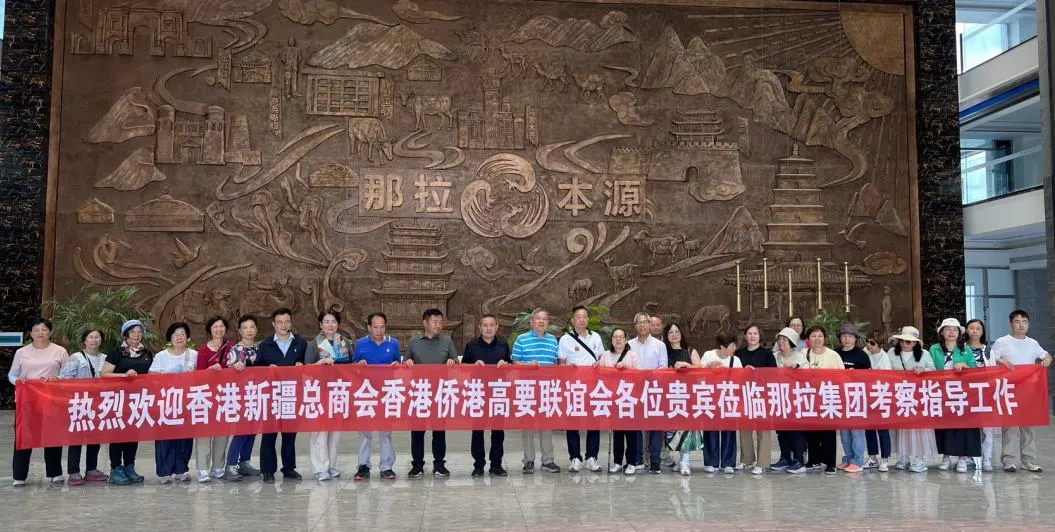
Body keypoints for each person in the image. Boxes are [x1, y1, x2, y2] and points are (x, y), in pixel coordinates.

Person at [9, 317, 70, 487]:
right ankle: (19, 476)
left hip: (52, 400)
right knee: (24, 436)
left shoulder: (59, 351)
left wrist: (58, 378)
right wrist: (18, 380)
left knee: (52, 436)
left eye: (44, 329)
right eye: (36, 330)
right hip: (27, 401)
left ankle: (55, 473)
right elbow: (12, 374)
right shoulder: (22, 352)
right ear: (30, 333)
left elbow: (69, 373)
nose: (40, 333)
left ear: (50, 332)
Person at [992, 309, 1052, 473]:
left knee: (1028, 428)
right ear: (1011, 324)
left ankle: (1028, 460)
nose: (1021, 325)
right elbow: (991, 358)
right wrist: (1002, 361)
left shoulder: (1032, 343)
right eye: (1017, 321)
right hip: (1009, 390)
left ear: (1028, 324)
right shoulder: (1002, 341)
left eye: (1024, 322)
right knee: (1010, 427)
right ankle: (1008, 460)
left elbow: (1046, 355)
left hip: (1028, 391)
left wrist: (1047, 360)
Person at [406, 308, 459, 478]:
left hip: (439, 393)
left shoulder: (447, 341)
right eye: (435, 322)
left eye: (440, 322)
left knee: (439, 431)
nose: (438, 325)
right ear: (425, 323)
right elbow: (406, 363)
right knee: (417, 431)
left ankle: (439, 465)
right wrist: (407, 362)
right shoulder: (414, 342)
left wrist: (452, 361)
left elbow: (456, 362)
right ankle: (417, 465)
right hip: (419, 393)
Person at [256, 307, 307, 483]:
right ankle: (268, 471)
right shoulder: (265, 345)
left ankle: (289, 468)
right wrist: (266, 369)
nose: (283, 325)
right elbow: (256, 369)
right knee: (269, 434)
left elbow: (309, 365)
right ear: (273, 324)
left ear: (291, 323)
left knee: (289, 434)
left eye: (287, 322)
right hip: (271, 395)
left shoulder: (300, 343)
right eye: (279, 322)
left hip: (292, 395)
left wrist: (302, 366)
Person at [101, 319, 154, 485]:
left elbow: (150, 374)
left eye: (139, 332)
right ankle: (116, 468)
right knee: (118, 435)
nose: (136, 335)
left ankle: (130, 466)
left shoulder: (147, 353)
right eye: (133, 332)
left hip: (138, 400)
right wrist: (124, 375)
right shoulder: (117, 352)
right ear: (126, 334)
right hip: (118, 400)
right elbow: (104, 374)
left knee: (133, 434)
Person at [305, 309, 354, 481]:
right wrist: (320, 363)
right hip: (320, 392)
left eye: (333, 321)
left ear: (338, 324)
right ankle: (320, 468)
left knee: (335, 432)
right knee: (320, 432)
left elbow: (352, 365)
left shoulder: (345, 342)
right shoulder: (313, 344)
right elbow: (307, 369)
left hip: (338, 392)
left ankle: (331, 465)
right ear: (320, 324)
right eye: (326, 321)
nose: (330, 325)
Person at [512, 308, 561, 474]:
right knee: (527, 427)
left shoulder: (553, 340)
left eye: (544, 319)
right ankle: (528, 461)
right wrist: (528, 366)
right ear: (531, 322)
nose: (541, 321)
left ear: (548, 322)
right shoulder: (521, 339)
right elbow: (515, 363)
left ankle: (548, 460)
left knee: (546, 426)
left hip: (547, 389)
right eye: (538, 319)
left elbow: (556, 364)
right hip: (527, 389)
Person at [929, 318, 981, 473]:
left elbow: (974, 370)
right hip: (941, 393)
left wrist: (965, 366)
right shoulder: (934, 349)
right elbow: (929, 367)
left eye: (955, 329)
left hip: (961, 394)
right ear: (942, 332)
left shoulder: (966, 350)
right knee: (944, 425)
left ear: (959, 333)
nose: (951, 332)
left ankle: (962, 458)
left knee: (963, 426)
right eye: (948, 329)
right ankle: (946, 457)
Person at [353, 312, 401, 481]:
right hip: (366, 393)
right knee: (365, 432)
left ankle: (386, 466)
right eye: (375, 327)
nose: (379, 331)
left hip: (386, 393)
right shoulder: (361, 344)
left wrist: (397, 365)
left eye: (382, 327)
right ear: (369, 327)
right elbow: (353, 366)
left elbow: (398, 364)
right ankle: (363, 466)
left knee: (385, 432)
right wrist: (359, 365)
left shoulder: (394, 343)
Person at [462, 313, 511, 477]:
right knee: (478, 430)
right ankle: (478, 465)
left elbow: (510, 365)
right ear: (480, 327)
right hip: (478, 392)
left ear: (497, 327)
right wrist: (473, 366)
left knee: (498, 430)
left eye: (491, 325)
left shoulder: (503, 345)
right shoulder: (472, 345)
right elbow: (463, 368)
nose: (488, 328)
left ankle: (496, 465)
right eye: (485, 325)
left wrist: (506, 364)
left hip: (498, 392)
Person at [558, 305, 605, 473]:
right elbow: (561, 363)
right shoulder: (565, 339)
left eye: (585, 316)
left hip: (593, 386)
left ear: (588, 319)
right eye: (578, 317)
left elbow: (602, 358)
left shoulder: (596, 337)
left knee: (594, 422)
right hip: (574, 387)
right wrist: (566, 366)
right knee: (573, 422)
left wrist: (599, 362)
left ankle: (592, 457)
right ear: (572, 320)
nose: (582, 319)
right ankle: (575, 457)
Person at [60, 329, 109, 485]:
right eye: (91, 337)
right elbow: (66, 380)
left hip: (99, 404)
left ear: (101, 340)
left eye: (97, 337)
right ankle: (73, 471)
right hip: (79, 403)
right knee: (76, 437)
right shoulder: (76, 357)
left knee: (95, 437)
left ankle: (91, 469)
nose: (94, 340)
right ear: (84, 341)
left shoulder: (106, 359)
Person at [150, 322, 197, 484]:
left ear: (187, 337)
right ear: (170, 338)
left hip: (187, 403)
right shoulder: (161, 356)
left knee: (185, 438)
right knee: (165, 438)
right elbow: (152, 376)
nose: (179, 337)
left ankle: (181, 469)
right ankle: (164, 471)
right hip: (166, 403)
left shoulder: (194, 355)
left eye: (182, 334)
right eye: (175, 334)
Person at [195, 316, 241, 482]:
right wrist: (210, 370)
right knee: (204, 433)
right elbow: (198, 375)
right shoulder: (203, 350)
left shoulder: (231, 348)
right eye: (215, 327)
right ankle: (202, 469)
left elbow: (238, 366)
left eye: (222, 326)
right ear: (210, 329)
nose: (219, 329)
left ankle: (218, 467)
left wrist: (236, 365)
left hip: (225, 395)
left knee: (222, 432)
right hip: (206, 396)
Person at [888, 326, 938, 472]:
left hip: (919, 396)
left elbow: (934, 371)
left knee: (918, 428)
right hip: (898, 395)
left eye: (908, 342)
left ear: (915, 343)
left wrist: (924, 370)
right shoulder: (891, 353)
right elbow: (884, 370)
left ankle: (919, 458)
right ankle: (903, 456)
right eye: (902, 341)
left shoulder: (924, 354)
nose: (904, 344)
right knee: (901, 427)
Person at [629, 312, 668, 473]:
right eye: (639, 322)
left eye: (645, 322)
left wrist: (650, 376)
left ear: (650, 325)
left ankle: (655, 461)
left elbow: (663, 367)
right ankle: (638, 459)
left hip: (654, 389)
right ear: (635, 326)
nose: (642, 325)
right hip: (634, 390)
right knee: (636, 426)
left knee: (655, 426)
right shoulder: (629, 345)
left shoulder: (660, 345)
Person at [598, 328, 640, 475]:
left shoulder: (632, 355)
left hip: (629, 399)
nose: (618, 339)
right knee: (617, 433)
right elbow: (600, 375)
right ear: (611, 339)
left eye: (621, 337)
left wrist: (627, 368)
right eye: (615, 337)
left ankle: (631, 463)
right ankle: (617, 462)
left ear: (626, 339)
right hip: (613, 399)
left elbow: (640, 375)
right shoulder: (606, 355)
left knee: (631, 433)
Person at [697, 333, 741, 473]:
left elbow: (740, 380)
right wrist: (708, 367)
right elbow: (698, 376)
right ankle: (711, 462)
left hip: (728, 398)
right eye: (731, 346)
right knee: (711, 430)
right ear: (722, 346)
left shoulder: (736, 360)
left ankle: (728, 462)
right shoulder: (708, 355)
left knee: (729, 431)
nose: (734, 348)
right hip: (711, 398)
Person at [735, 323, 775, 475]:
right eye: (750, 333)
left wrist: (756, 372)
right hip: (744, 394)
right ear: (745, 336)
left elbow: (773, 375)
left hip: (762, 395)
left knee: (763, 430)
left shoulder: (767, 354)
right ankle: (746, 460)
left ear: (760, 336)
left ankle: (763, 463)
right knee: (744, 429)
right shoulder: (739, 353)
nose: (752, 336)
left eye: (755, 333)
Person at [226, 315, 261, 478]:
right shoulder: (235, 351)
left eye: (252, 327)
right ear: (239, 331)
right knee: (241, 431)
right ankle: (230, 465)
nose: (249, 330)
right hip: (241, 396)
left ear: (256, 329)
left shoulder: (260, 348)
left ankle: (244, 462)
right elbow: (228, 373)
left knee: (252, 430)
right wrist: (234, 366)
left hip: (258, 395)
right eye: (245, 327)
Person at [769, 328, 809, 474]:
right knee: (781, 432)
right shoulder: (774, 357)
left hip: (795, 400)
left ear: (792, 342)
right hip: (778, 399)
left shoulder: (800, 357)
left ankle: (799, 460)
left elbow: (808, 375)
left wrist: (795, 368)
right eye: (779, 339)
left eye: (785, 340)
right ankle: (785, 457)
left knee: (796, 431)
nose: (781, 342)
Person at [803, 325, 841, 475]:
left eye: (820, 336)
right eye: (813, 336)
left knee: (828, 432)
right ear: (808, 339)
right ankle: (814, 460)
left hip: (828, 397)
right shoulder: (803, 353)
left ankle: (831, 463)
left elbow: (842, 376)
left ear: (824, 338)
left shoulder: (833, 355)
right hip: (810, 397)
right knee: (811, 431)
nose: (817, 339)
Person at [834, 324, 871, 474]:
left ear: (855, 339)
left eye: (850, 336)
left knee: (856, 431)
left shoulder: (861, 355)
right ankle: (848, 458)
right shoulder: (835, 353)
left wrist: (855, 373)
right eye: (844, 336)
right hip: (840, 397)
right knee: (844, 432)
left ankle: (858, 460)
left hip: (856, 397)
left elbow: (869, 377)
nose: (847, 339)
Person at [964, 319, 995, 472]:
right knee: (968, 426)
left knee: (987, 427)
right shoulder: (961, 349)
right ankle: (968, 456)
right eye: (972, 328)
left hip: (985, 393)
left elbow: (994, 371)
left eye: (978, 328)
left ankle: (987, 458)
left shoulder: (988, 350)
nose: (975, 331)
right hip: (966, 393)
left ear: (982, 332)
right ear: (966, 330)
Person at [863, 332, 893, 472]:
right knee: (869, 428)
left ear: (880, 344)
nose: (869, 345)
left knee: (882, 430)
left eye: (872, 343)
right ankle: (872, 457)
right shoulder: (865, 353)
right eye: (867, 342)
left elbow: (886, 377)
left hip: (881, 396)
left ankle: (885, 458)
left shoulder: (884, 358)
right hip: (867, 395)